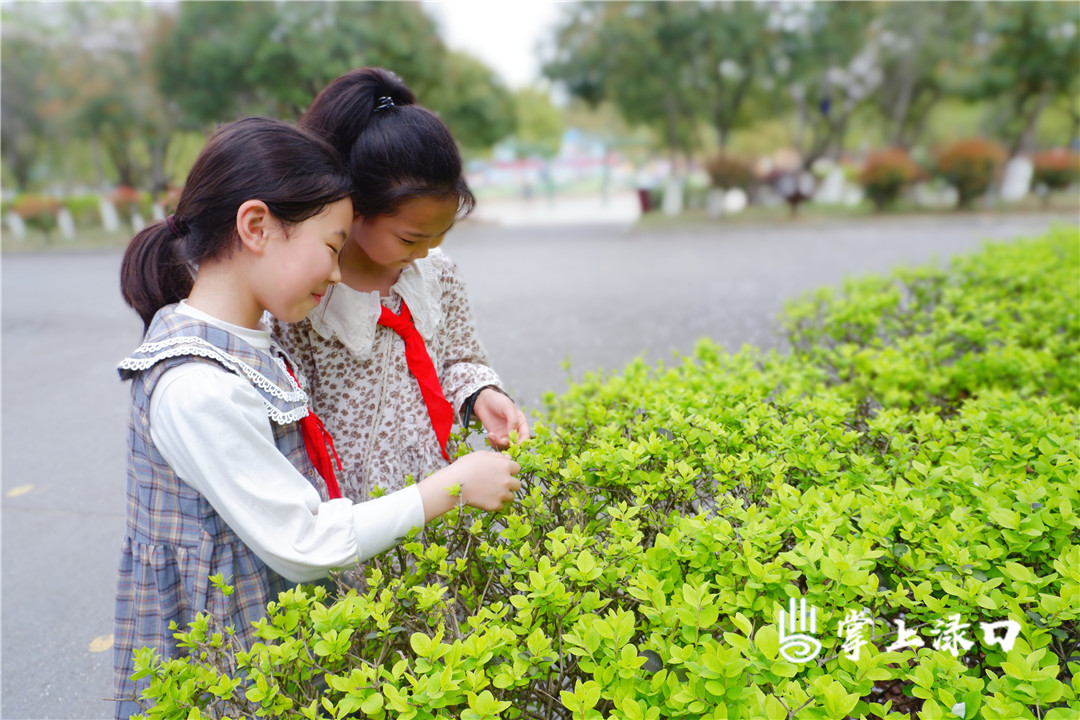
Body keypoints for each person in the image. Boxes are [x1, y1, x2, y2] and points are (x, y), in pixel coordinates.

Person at [113, 117, 520, 719]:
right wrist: (450, 487)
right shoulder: (198, 387)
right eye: (332, 246)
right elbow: (301, 541)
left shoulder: (242, 340)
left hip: (269, 605)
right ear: (256, 227)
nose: (335, 273)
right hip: (229, 630)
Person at [271, 67, 530, 502]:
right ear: (354, 206)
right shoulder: (308, 294)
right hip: (352, 512)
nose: (426, 250)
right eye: (410, 238)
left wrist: (482, 394)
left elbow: (457, 358)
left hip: (442, 491)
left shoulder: (436, 274)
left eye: (439, 236)